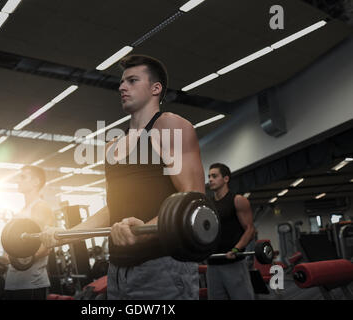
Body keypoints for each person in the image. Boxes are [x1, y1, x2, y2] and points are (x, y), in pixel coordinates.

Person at [42, 55, 206, 299]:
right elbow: (112, 208)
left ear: (155, 88)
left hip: (162, 267)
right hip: (117, 270)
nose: (122, 87)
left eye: (132, 80)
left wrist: (147, 228)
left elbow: (193, 202)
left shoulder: (170, 127)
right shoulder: (112, 145)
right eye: (121, 82)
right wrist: (66, 234)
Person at [206, 163, 256, 300]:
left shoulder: (237, 200)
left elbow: (250, 229)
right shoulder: (207, 204)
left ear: (226, 179)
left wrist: (236, 249)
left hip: (233, 262)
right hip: (213, 264)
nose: (210, 179)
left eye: (214, 176)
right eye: (209, 176)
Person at [4, 165, 54, 300]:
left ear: (36, 182)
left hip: (32, 284)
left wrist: (18, 260)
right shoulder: (21, 212)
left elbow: (45, 246)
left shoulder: (40, 207)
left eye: (23, 177)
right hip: (13, 282)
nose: (18, 180)